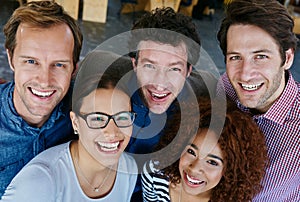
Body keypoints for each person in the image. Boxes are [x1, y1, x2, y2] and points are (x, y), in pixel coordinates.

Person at [1, 50, 138, 201]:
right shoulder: (40, 182)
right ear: (75, 122)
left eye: (123, 117)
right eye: (97, 118)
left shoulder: (129, 168)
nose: (112, 132)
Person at [125, 7, 218, 200]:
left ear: (188, 70)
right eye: (149, 66)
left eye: (174, 69)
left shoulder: (201, 110)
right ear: (135, 64)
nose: (160, 82)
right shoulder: (108, 94)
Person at [217, 0, 300, 201]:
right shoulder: (225, 86)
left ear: (287, 58)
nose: (245, 75)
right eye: (235, 57)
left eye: (260, 56)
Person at [0, 1, 83, 197]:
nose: (44, 81)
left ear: (74, 68)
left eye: (59, 65)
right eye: (31, 61)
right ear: (11, 59)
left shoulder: (85, 107)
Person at [142, 98, 268, 201]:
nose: (194, 168)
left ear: (231, 171)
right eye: (191, 152)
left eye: (212, 162)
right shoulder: (154, 172)